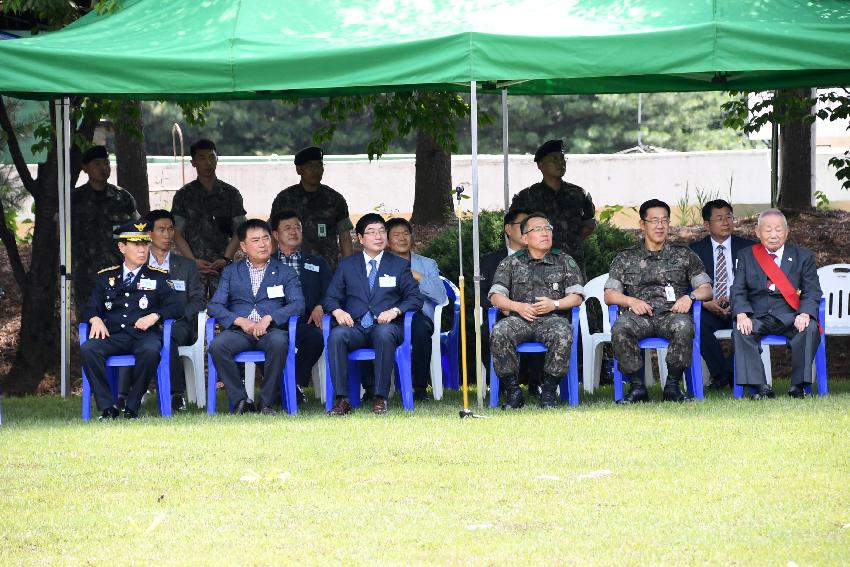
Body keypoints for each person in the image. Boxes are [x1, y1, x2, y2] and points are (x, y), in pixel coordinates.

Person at [604, 199, 713, 403]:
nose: (660, 225)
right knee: (620, 328)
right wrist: (630, 301)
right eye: (654, 220)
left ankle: (672, 386)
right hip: (638, 316)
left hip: (671, 314)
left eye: (664, 220)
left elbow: (706, 289)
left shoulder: (684, 254)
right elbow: (610, 295)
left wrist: (690, 297)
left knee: (683, 325)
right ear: (642, 224)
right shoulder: (625, 257)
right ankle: (637, 387)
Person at [79, 220, 180, 420]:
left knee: (151, 351)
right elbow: (90, 306)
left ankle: (132, 406)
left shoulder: (159, 276)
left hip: (143, 336)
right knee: (88, 349)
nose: (143, 249)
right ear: (122, 247)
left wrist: (155, 315)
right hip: (113, 335)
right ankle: (107, 408)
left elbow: (176, 306)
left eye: (145, 244)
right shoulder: (106, 277)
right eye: (136, 244)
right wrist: (95, 319)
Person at [324, 213, 423, 415]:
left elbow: (414, 298)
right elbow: (330, 298)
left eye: (381, 232)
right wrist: (338, 310)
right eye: (371, 232)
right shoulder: (347, 265)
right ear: (360, 238)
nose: (378, 237)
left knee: (384, 334)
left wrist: (395, 311)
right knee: (336, 335)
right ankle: (342, 399)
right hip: (356, 326)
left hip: (386, 325)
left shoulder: (399, 265)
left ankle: (380, 397)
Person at [207, 219, 305, 415]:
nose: (262, 244)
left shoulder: (285, 272)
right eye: (255, 240)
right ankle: (241, 400)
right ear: (243, 246)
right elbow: (214, 305)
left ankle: (266, 402)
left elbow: (298, 304)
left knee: (279, 343)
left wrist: (270, 318)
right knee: (217, 346)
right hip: (239, 332)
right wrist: (240, 321)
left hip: (271, 331)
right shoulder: (231, 272)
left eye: (266, 239)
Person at [487, 213, 585, 409]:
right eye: (537, 229)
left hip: (552, 319)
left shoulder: (564, 260)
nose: (545, 233)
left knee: (563, 333)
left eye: (548, 228)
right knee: (499, 332)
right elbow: (495, 297)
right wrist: (517, 307)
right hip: (519, 319)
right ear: (525, 238)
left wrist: (554, 304)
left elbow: (577, 296)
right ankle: (513, 392)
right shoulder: (511, 262)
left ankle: (548, 392)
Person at [731, 209, 822, 399]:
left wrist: (804, 313)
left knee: (810, 328)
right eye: (768, 230)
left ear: (787, 232)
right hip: (758, 315)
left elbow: (812, 290)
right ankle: (759, 387)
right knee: (741, 330)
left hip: (791, 316)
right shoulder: (746, 256)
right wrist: (741, 314)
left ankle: (798, 386)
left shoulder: (802, 256)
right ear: (757, 232)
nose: (773, 235)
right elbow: (738, 289)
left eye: (778, 230)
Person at [689, 199, 756, 390]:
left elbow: (758, 283)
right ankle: (723, 374)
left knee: (751, 327)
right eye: (719, 218)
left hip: (741, 308)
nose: (726, 222)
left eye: (729, 217)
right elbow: (686, 286)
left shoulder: (749, 248)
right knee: (694, 324)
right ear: (706, 224)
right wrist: (705, 304)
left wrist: (739, 302)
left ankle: (725, 375)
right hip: (710, 307)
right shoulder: (694, 251)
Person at [144, 209, 205, 411]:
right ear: (149, 234)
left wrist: (177, 317)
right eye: (161, 230)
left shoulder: (186, 266)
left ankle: (176, 395)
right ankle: (128, 393)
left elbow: (198, 300)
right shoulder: (139, 263)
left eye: (170, 229)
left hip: (180, 324)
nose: (167, 234)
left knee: (168, 335)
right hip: (146, 324)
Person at [171, 139, 246, 298]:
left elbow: (240, 230)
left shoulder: (231, 194)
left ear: (217, 159)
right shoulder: (184, 195)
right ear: (193, 162)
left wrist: (226, 258)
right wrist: (192, 261)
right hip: (193, 268)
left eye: (212, 157)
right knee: (193, 315)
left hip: (224, 267)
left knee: (224, 315)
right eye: (202, 158)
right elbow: (176, 233)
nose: (208, 163)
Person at [270, 209, 331, 403]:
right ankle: (284, 387)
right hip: (274, 322)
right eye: (287, 228)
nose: (293, 231)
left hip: (307, 322)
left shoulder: (317, 262)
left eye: (297, 227)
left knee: (315, 338)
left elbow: (332, 292)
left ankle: (291, 383)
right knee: (263, 342)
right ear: (276, 235)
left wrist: (321, 305)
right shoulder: (267, 262)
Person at [508, 139, 596, 274]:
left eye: (562, 159)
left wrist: (570, 240)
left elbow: (589, 223)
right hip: (538, 266)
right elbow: (516, 231)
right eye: (554, 159)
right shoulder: (527, 197)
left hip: (572, 264)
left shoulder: (578, 194)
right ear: (540, 165)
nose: (560, 163)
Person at [479, 208, 543, 392]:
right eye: (522, 225)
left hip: (536, 313)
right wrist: (506, 308)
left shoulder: (543, 257)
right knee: (486, 332)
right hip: (501, 314)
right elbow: (483, 295)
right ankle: (503, 384)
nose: (526, 230)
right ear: (508, 229)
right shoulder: (490, 261)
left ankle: (537, 382)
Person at [71, 145, 139, 317]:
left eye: (106, 163)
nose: (103, 168)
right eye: (97, 163)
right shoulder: (74, 199)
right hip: (85, 276)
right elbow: (59, 235)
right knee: (89, 323)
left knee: (120, 321)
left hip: (118, 274)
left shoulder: (123, 197)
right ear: (85, 168)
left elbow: (139, 232)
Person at [385, 217, 447, 401]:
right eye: (396, 235)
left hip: (419, 315)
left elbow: (440, 296)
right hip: (388, 315)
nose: (402, 238)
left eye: (406, 233)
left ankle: (420, 387)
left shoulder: (427, 264)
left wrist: (420, 277)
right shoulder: (381, 263)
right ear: (387, 240)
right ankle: (374, 389)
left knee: (421, 330)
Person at [269, 146, 354, 269]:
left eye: (319, 165)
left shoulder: (335, 199)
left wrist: (348, 268)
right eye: (310, 166)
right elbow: (273, 235)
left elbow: (345, 236)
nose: (315, 170)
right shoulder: (284, 199)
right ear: (299, 169)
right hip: (291, 269)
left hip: (327, 269)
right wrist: (272, 264)